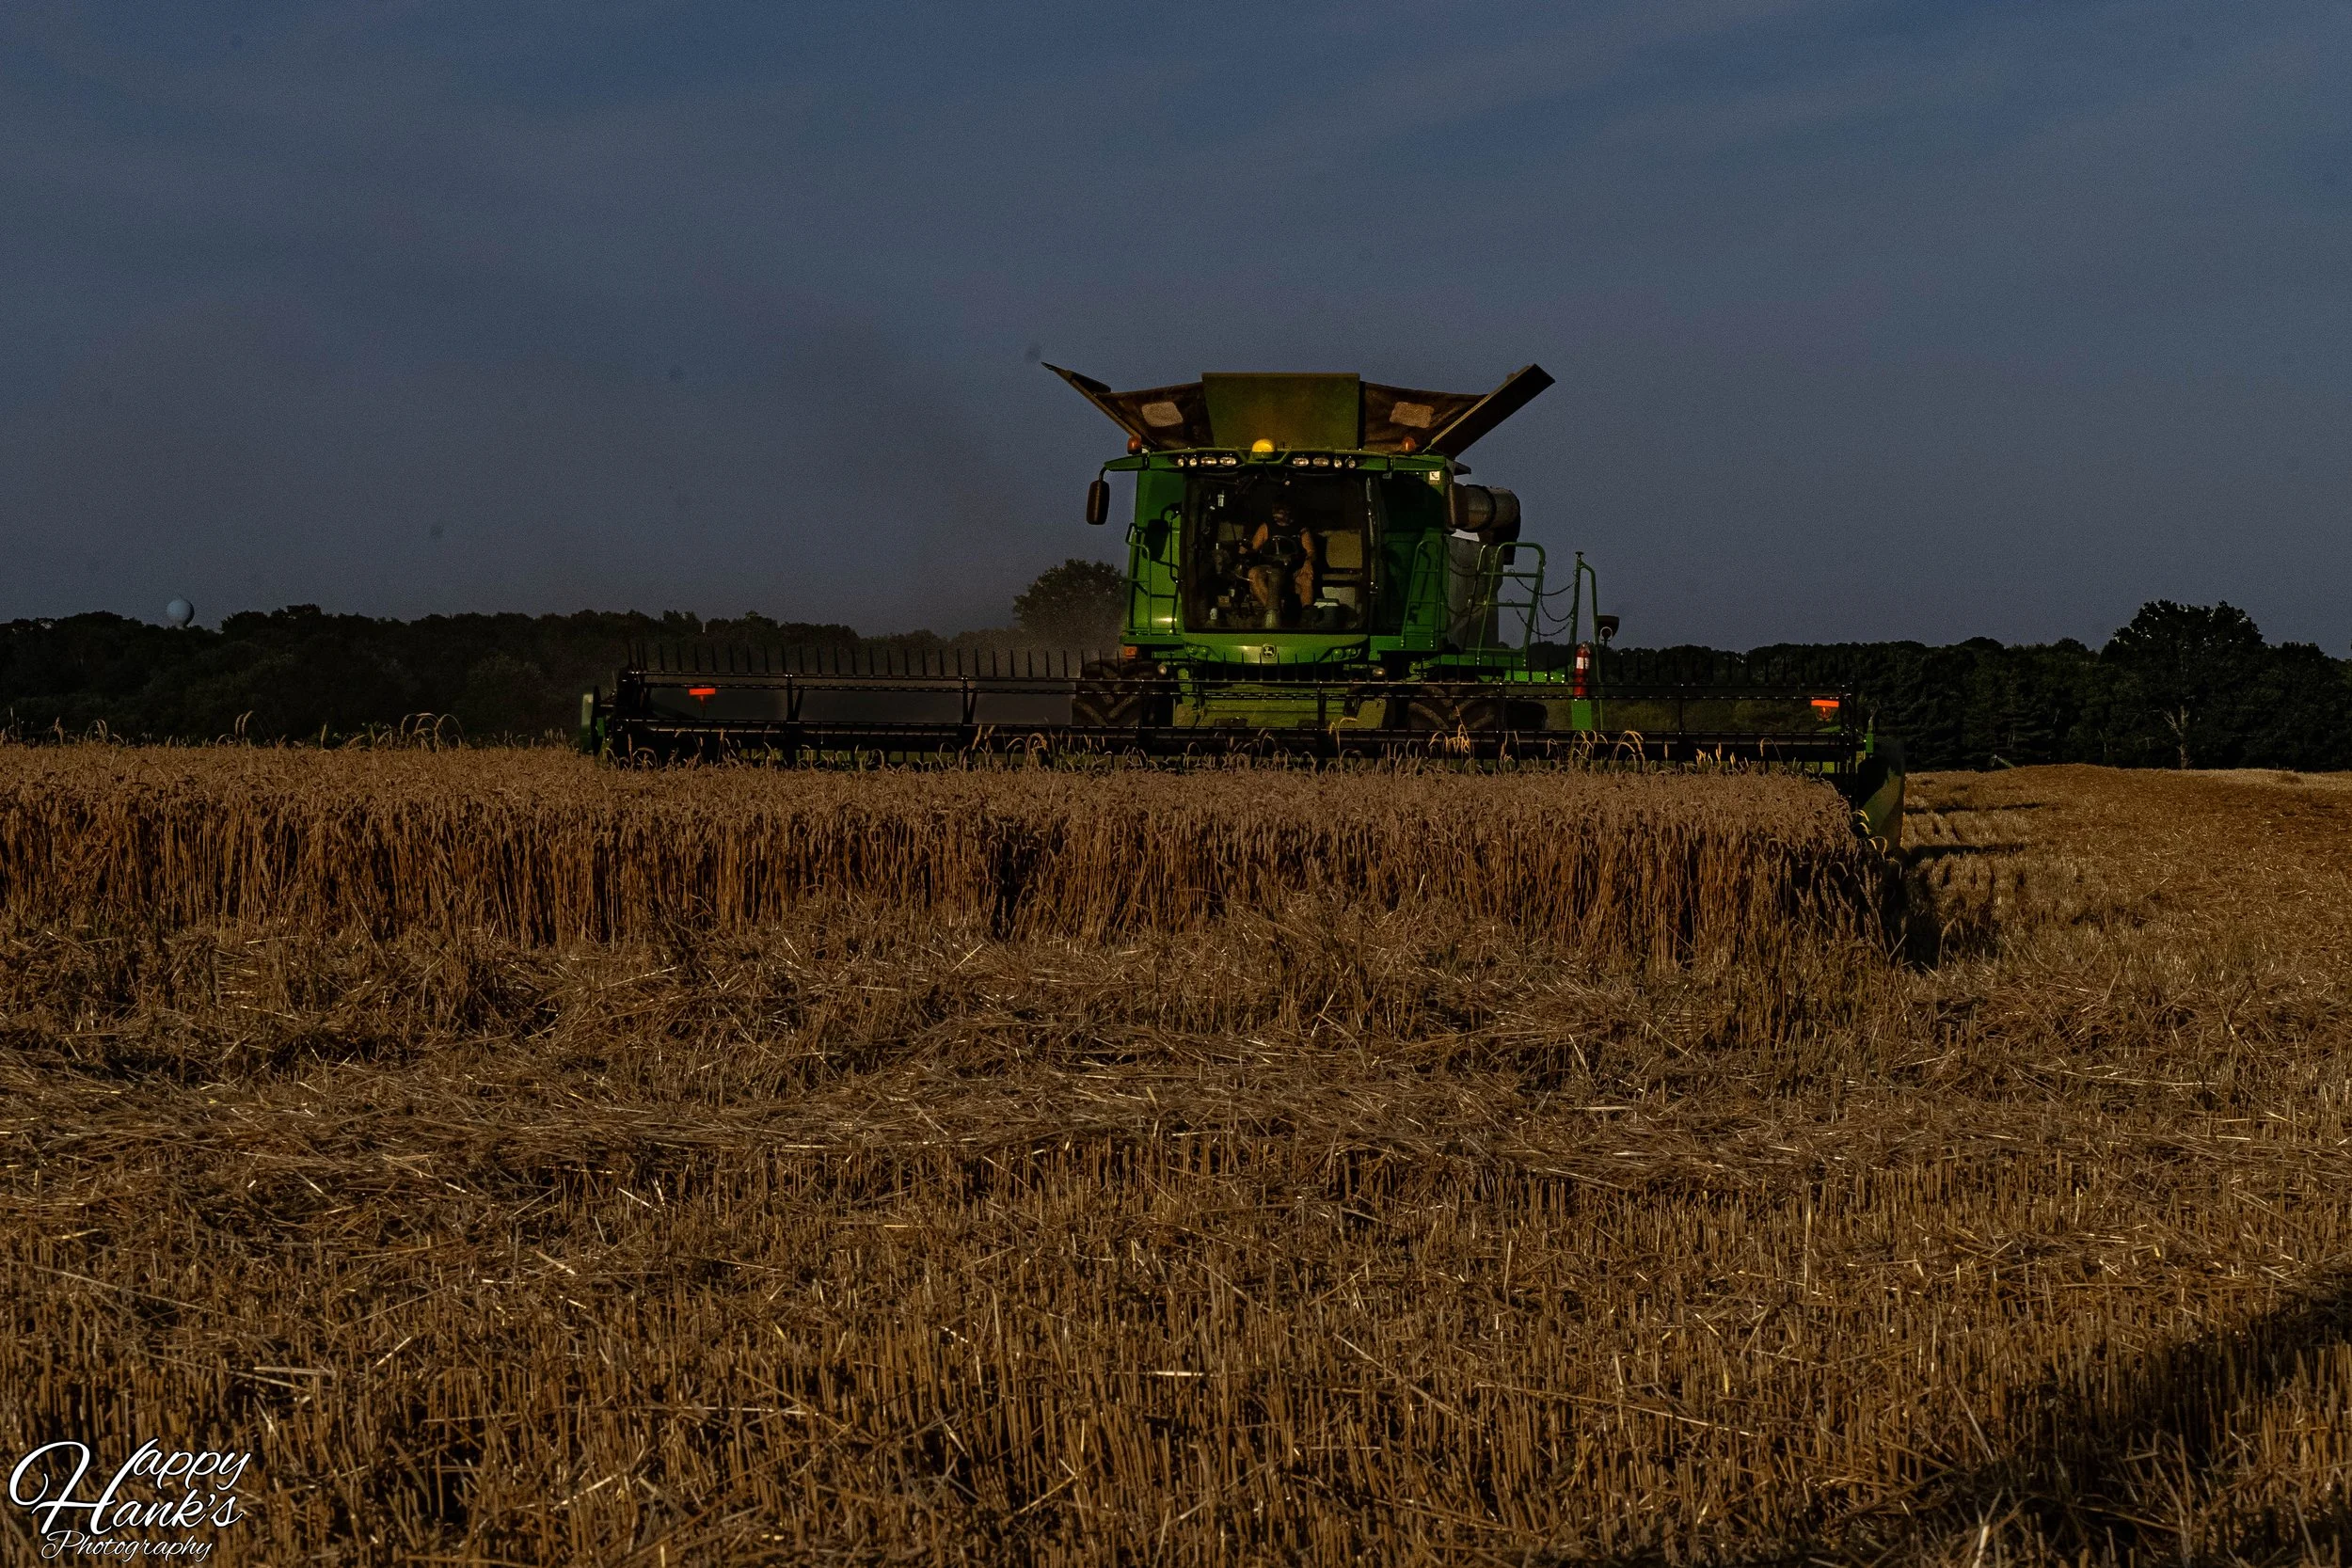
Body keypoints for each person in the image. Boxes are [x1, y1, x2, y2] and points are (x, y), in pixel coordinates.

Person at [1245, 501, 1319, 628]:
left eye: (1280, 511)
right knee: (1254, 574)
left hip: (1293, 569)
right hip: (1270, 567)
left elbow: (1311, 551)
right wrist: (1245, 549)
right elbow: (1253, 548)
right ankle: (1273, 610)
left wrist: (1308, 562)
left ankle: (1307, 616)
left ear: (1288, 512)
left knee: (1306, 577)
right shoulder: (1266, 527)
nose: (1277, 514)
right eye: (1275, 511)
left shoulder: (1301, 529)